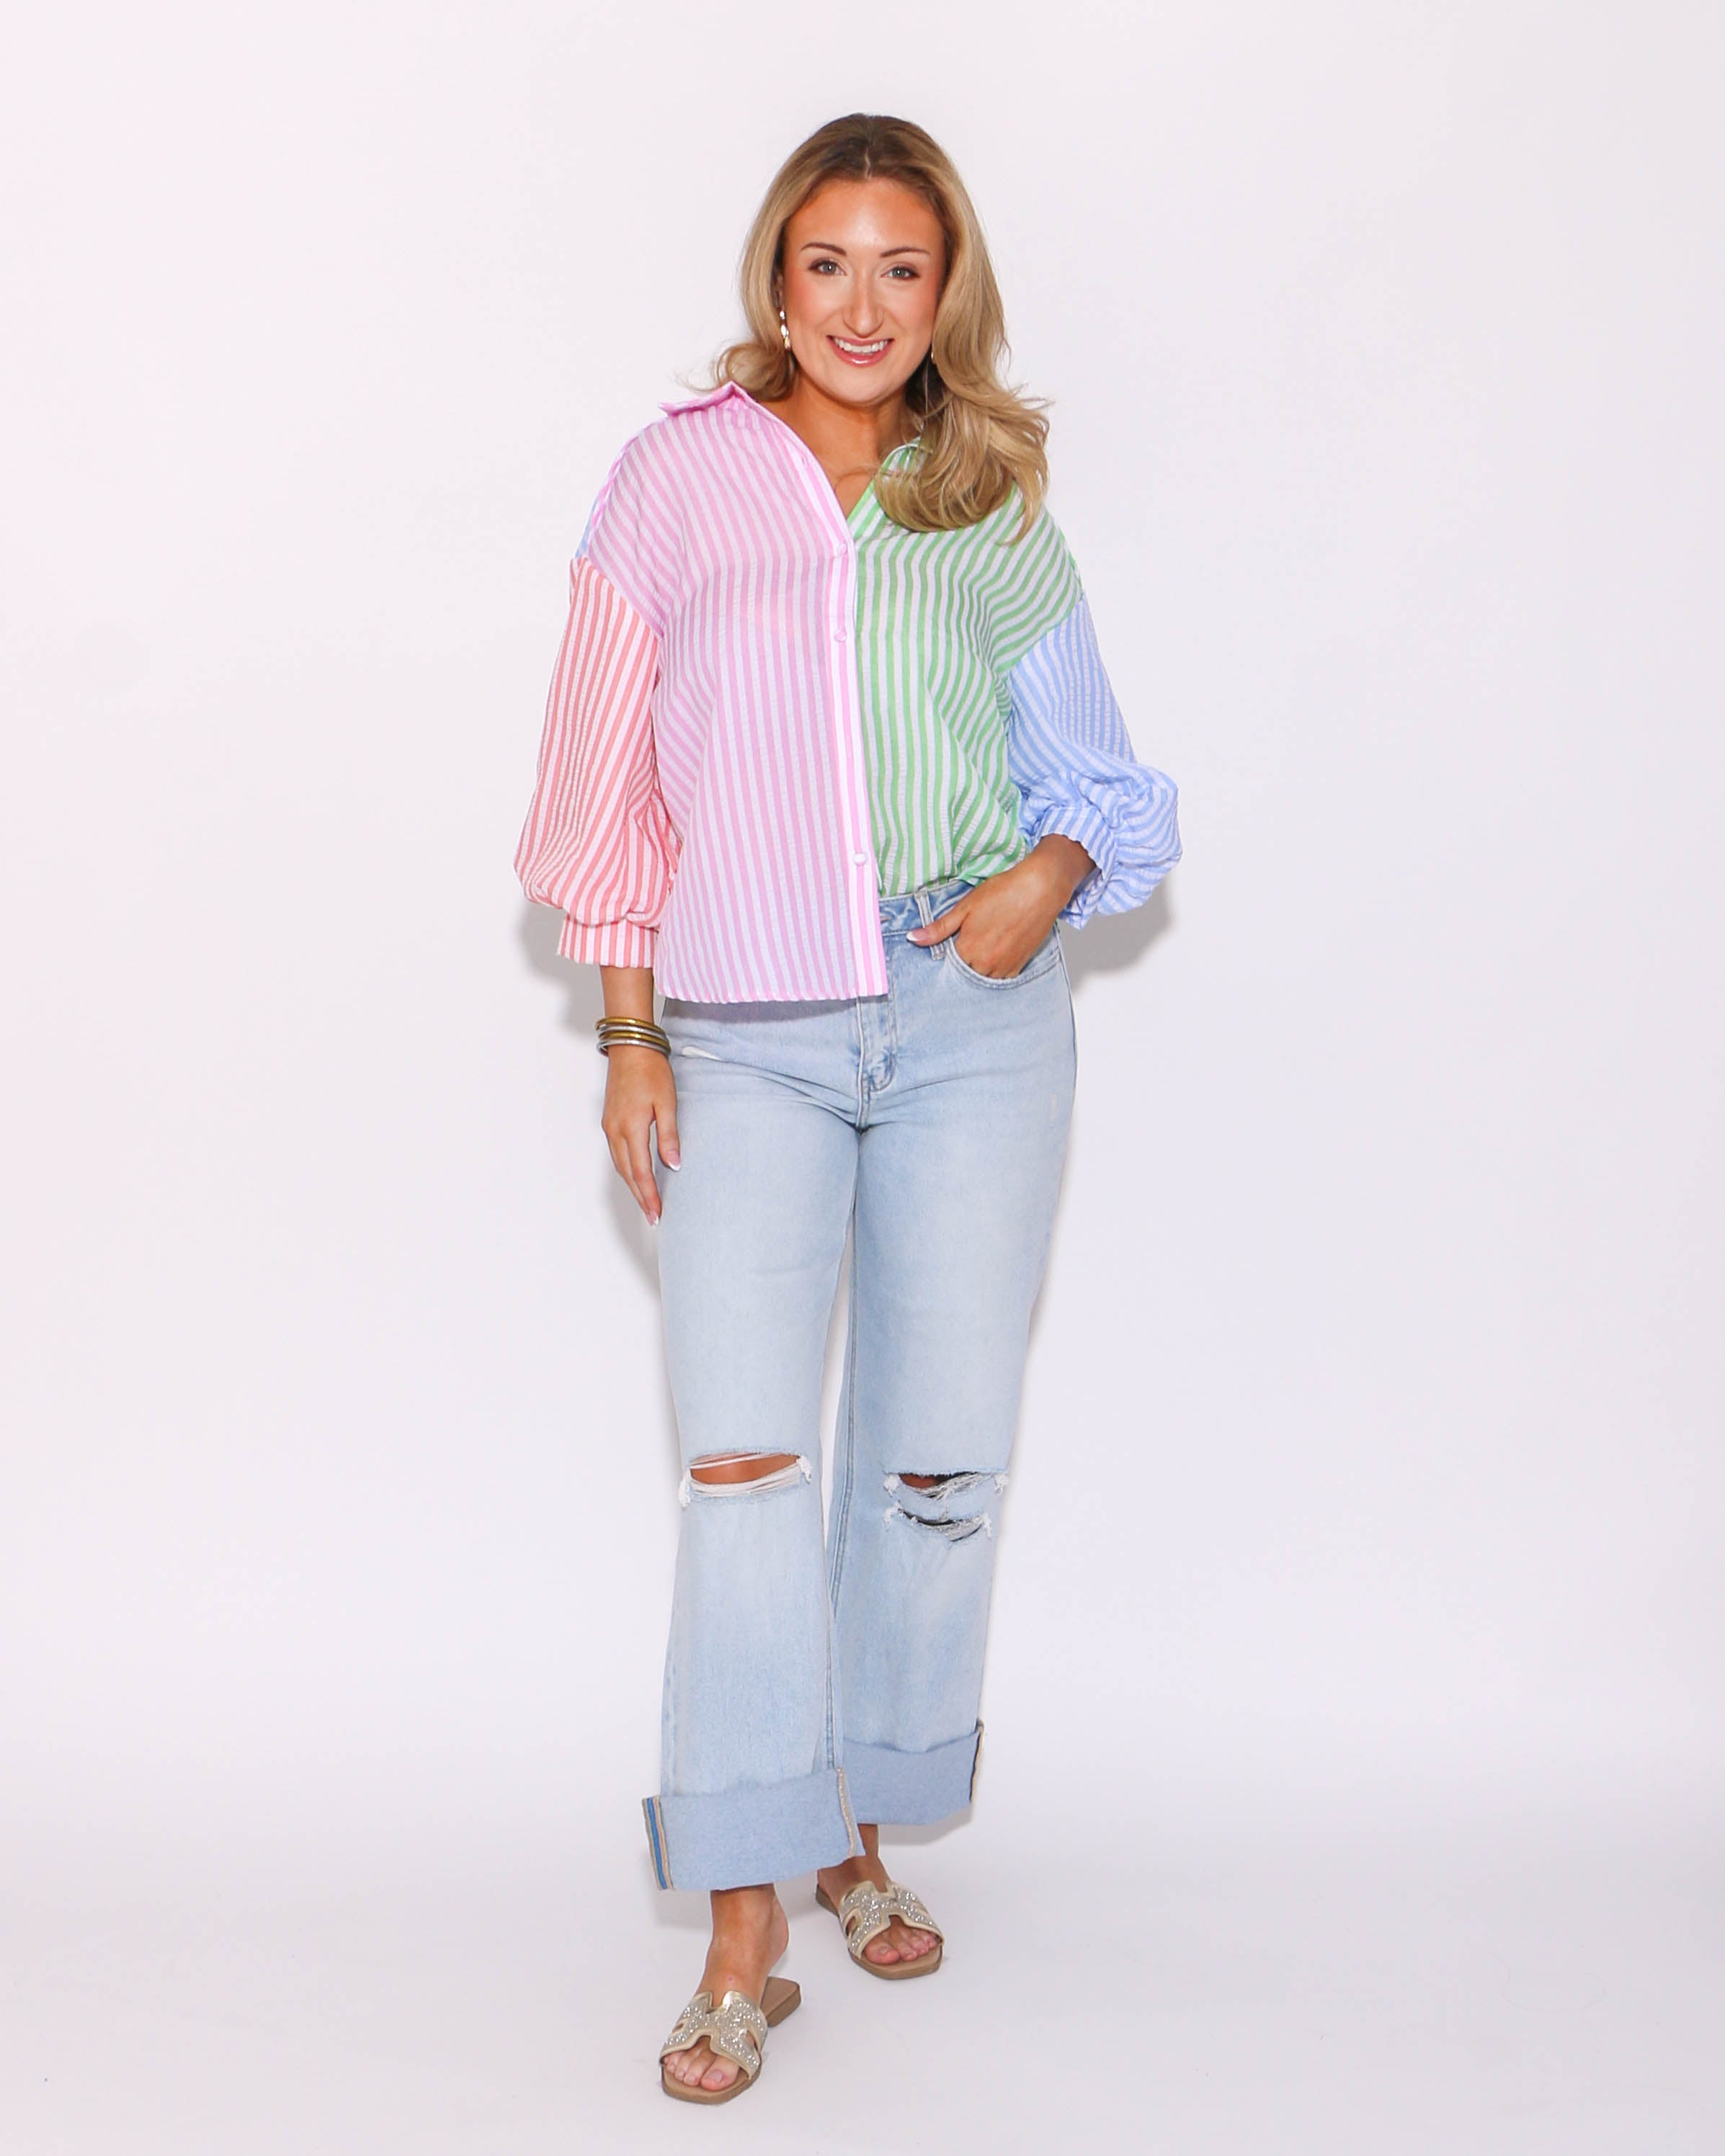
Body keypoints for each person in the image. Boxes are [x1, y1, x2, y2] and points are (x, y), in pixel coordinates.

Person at [514, 112, 1180, 2106]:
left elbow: (1101, 774)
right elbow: (600, 786)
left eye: (903, 266)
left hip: (975, 1022)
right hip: (746, 1031)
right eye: (829, 263)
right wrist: (630, 1033)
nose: (863, 305)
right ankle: (743, 1923)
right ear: (776, 277)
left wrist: (1039, 885)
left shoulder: (987, 498)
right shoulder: (672, 482)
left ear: (945, 287)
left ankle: (858, 1823)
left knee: (933, 1463)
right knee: (741, 1466)